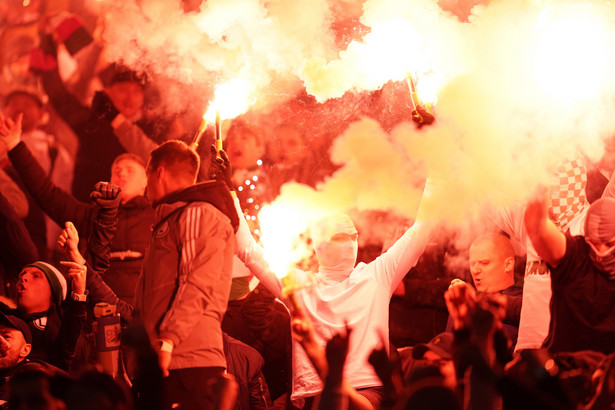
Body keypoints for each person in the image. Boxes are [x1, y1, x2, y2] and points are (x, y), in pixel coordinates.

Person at [224, 150, 437, 407]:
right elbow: (248, 250)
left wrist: (435, 162)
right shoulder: (298, 285)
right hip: (314, 395)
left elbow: (422, 229)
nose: (351, 243)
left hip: (367, 391)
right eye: (340, 237)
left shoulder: (377, 275)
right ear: (320, 246)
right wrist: (227, 190)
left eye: (354, 236)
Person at [0, 112, 152, 304]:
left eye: (130, 170)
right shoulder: (93, 216)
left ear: (146, 182)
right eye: (116, 170)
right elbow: (48, 193)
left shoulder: (158, 217)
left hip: (142, 313)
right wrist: (15, 145)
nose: (122, 173)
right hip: (99, 312)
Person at [136, 140, 238, 409]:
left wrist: (169, 340)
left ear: (158, 173)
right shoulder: (171, 219)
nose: (146, 188)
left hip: (188, 361)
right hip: (165, 358)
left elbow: (197, 282)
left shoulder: (197, 213)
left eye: (147, 177)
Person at [29, 19, 165, 202]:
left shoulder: (155, 128)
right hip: (90, 209)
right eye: (123, 90)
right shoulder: (91, 121)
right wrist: (47, 40)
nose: (129, 97)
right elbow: (57, 94)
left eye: (136, 92)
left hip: (138, 214)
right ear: (108, 92)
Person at [524, 190, 615, 354]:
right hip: (567, 370)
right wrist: (538, 178)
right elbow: (537, 228)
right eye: (593, 243)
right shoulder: (577, 255)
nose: (600, 252)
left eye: (609, 244)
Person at [446, 232, 522, 345]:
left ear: (508, 264)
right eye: (472, 264)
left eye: (484, 263)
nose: (476, 270)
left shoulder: (525, 304)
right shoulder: (463, 302)